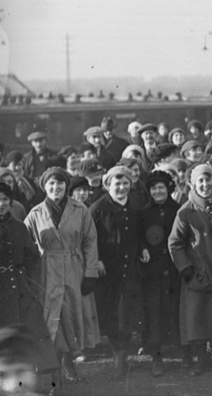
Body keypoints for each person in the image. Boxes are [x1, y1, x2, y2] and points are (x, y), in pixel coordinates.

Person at [24, 167, 101, 383]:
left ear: (66, 186)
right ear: (44, 187)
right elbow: (27, 246)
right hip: (46, 272)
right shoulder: (35, 213)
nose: (55, 187)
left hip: (74, 268)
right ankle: (53, 364)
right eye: (51, 184)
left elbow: (90, 241)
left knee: (71, 316)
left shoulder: (80, 210)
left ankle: (69, 360)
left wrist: (90, 273)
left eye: (60, 183)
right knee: (51, 319)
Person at [168, 164, 212, 377]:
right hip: (198, 273)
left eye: (208, 180)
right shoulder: (186, 210)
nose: (205, 185)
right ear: (193, 183)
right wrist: (186, 268)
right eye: (200, 181)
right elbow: (175, 242)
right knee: (197, 319)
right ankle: (200, 360)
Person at [0, 185, 59, 391]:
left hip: (20, 287)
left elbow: (33, 259)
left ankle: (41, 383)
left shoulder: (18, 226)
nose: (1, 205)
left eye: (5, 200)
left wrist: (30, 283)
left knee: (33, 331)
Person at [90, 166, 145, 377]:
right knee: (111, 312)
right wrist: (98, 260)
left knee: (128, 311)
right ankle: (117, 353)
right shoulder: (98, 208)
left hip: (129, 268)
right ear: (108, 185)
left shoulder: (134, 206)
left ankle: (122, 355)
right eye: (117, 184)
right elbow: (89, 238)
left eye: (125, 184)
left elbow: (139, 233)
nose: (121, 188)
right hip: (108, 270)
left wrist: (143, 249)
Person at [137, 170, 184, 376]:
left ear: (168, 189)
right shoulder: (143, 212)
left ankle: (185, 352)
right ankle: (156, 358)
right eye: (154, 188)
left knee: (176, 308)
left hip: (174, 267)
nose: (157, 191)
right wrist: (143, 248)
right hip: (153, 270)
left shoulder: (178, 209)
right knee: (153, 311)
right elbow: (138, 236)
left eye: (161, 188)